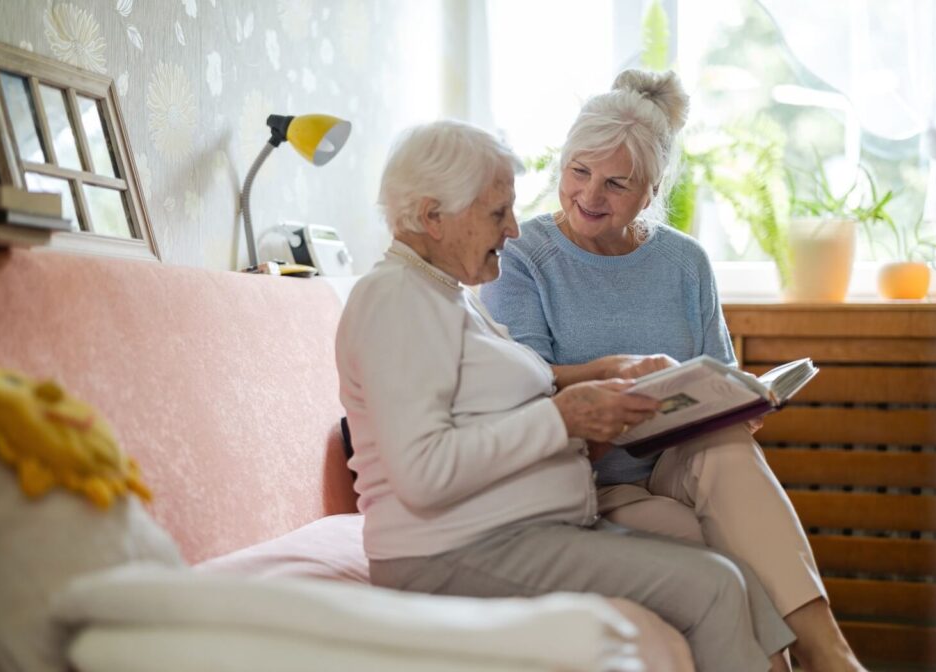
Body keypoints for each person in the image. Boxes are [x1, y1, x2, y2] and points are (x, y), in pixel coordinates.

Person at [336, 118, 797, 672]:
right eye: (496, 213)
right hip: (452, 551)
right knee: (716, 584)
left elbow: (492, 399)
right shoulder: (395, 300)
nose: (513, 230)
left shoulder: (444, 295)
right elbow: (422, 472)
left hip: (511, 532)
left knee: (728, 569)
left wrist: (601, 373)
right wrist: (565, 417)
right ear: (434, 216)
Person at [481, 69, 866, 672]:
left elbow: (720, 373)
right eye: (578, 172)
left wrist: (744, 402)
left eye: (616, 183)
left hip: (678, 459)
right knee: (713, 545)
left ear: (652, 189)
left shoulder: (685, 262)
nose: (589, 195)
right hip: (591, 477)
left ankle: (831, 653)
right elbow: (527, 380)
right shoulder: (524, 255)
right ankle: (807, 662)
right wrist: (613, 372)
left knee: (730, 449)